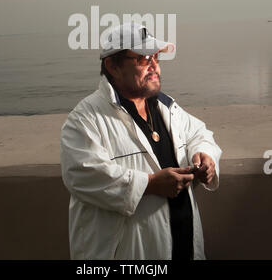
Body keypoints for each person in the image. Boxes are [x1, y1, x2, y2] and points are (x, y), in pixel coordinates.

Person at [61, 22, 222, 260]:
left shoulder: (166, 106)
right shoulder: (85, 119)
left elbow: (199, 133)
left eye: (156, 57)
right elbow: (81, 174)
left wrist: (204, 155)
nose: (155, 66)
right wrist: (149, 184)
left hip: (185, 250)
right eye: (144, 58)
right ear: (113, 66)